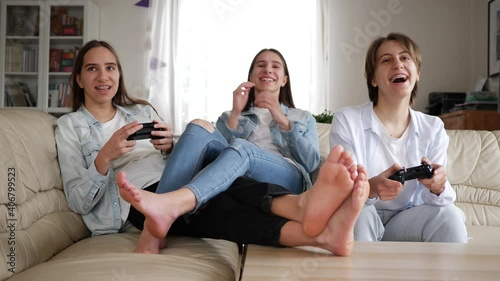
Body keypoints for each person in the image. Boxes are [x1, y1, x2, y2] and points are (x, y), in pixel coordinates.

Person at [55, 40, 368, 257]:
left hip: (230, 175)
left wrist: (167, 148)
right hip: (140, 196)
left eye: (110, 67)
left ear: (285, 78)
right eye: (93, 69)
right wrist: (105, 156)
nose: (103, 76)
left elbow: (310, 160)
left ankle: (166, 209)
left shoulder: (140, 111)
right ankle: (316, 226)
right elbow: (220, 154)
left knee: (209, 138)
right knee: (226, 197)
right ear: (78, 79)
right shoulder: (69, 127)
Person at [329, 32, 468, 243]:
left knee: (450, 215)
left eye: (405, 58)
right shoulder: (347, 120)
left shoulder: (433, 127)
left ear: (417, 72)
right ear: (373, 79)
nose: (398, 64)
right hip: (363, 214)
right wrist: (372, 187)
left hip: (407, 218)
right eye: (386, 60)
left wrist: (438, 185)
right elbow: (342, 192)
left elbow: (437, 200)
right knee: (358, 214)